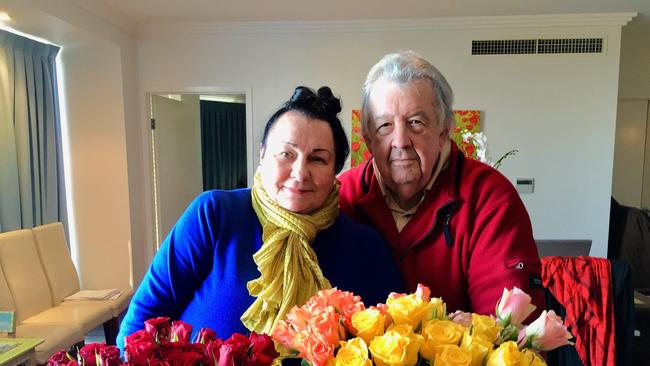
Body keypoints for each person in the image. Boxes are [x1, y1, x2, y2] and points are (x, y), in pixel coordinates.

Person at [117, 86, 404, 349]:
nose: (299, 173)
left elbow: (396, 340)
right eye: (286, 154)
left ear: (335, 170)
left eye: (318, 159)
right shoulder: (214, 215)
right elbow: (141, 322)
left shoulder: (364, 245)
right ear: (263, 154)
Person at [338, 51, 545, 316]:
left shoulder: (490, 198)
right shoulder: (342, 197)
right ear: (368, 138)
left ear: (444, 132)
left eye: (416, 123)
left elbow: (511, 334)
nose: (400, 141)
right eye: (385, 126)